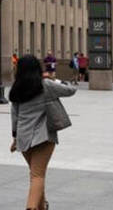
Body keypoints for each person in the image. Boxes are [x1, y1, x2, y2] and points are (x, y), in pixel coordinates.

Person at [10, 52, 76, 210]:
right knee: (37, 175)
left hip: (24, 139)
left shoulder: (16, 88)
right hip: (44, 137)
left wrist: (15, 138)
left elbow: (15, 116)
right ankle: (31, 207)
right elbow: (71, 90)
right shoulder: (45, 85)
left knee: (35, 174)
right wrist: (55, 79)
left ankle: (42, 206)